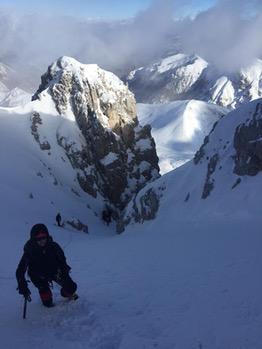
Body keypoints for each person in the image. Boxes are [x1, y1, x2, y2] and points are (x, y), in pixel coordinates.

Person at [16, 223, 77, 307]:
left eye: (43, 237)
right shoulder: (29, 251)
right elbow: (20, 270)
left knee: (71, 287)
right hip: (38, 276)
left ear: (47, 236)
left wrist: (65, 275)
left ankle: (66, 292)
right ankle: (45, 291)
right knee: (47, 302)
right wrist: (22, 284)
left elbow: (62, 262)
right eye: (38, 238)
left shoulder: (54, 247)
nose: (42, 241)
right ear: (33, 239)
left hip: (54, 272)